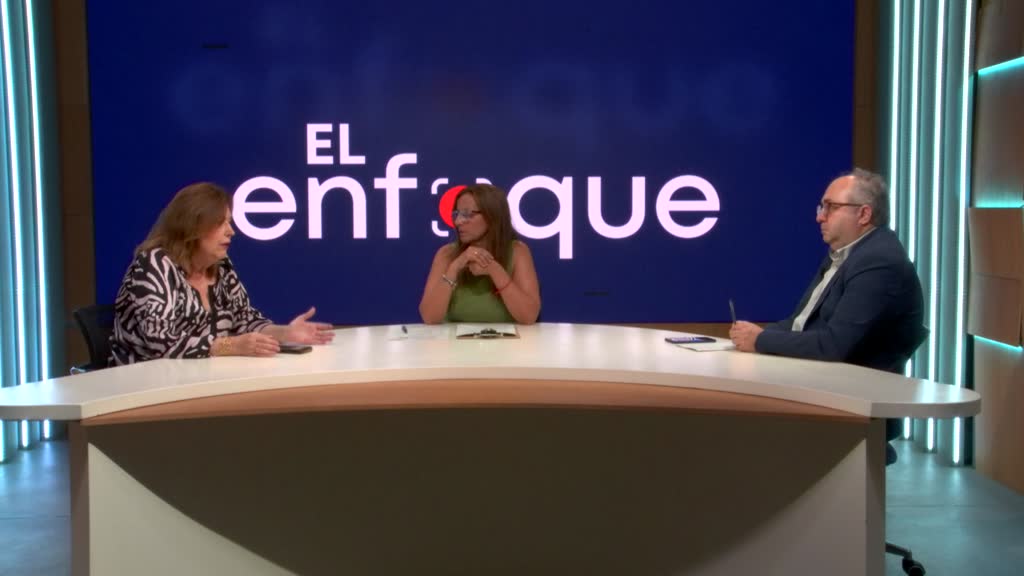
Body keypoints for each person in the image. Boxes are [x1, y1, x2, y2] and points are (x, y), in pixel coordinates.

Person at [109, 182, 334, 365]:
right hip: (145, 384)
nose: (231, 231)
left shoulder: (221, 265)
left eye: (230, 222)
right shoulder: (155, 264)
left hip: (203, 378)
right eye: (220, 223)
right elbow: (161, 343)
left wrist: (285, 333)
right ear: (192, 226)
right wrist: (230, 346)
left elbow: (245, 320)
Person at [729, 169, 924, 373]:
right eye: (821, 207)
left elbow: (834, 345)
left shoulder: (878, 261)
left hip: (856, 385)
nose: (820, 217)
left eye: (831, 207)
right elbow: (800, 323)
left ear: (864, 214)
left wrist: (760, 340)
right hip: (822, 377)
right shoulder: (843, 254)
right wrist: (753, 334)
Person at [419, 183, 541, 324]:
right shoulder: (446, 254)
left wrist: (494, 270)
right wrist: (454, 268)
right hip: (454, 338)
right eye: (456, 214)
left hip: (507, 338)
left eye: (467, 214)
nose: (458, 222)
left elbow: (529, 317)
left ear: (491, 216)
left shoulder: (518, 251)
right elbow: (429, 318)